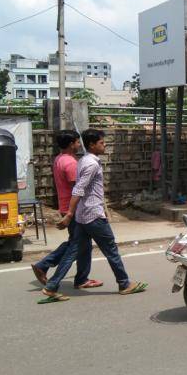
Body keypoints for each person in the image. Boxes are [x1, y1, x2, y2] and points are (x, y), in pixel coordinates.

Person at [42, 129, 147, 302]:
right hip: (93, 215)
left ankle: (52, 286)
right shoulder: (91, 164)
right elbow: (78, 188)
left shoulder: (83, 160)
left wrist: (73, 213)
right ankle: (124, 284)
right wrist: (69, 213)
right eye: (102, 143)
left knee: (73, 251)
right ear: (91, 145)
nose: (104, 145)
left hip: (83, 216)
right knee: (111, 249)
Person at [31, 131, 102, 289]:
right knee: (76, 244)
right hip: (74, 208)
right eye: (77, 142)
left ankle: (81, 278)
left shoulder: (59, 159)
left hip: (65, 205)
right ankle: (45, 265)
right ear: (71, 144)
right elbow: (78, 189)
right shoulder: (70, 163)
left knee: (82, 244)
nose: (79, 145)